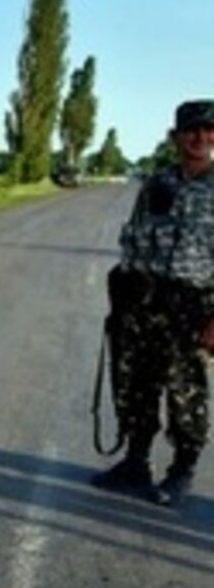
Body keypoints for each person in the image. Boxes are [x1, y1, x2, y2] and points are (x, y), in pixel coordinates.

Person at [92, 99, 214, 507]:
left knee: (186, 391)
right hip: (142, 302)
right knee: (135, 385)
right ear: (176, 136)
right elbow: (136, 236)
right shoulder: (157, 183)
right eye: (193, 130)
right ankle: (136, 462)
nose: (201, 137)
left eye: (209, 130)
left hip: (193, 305)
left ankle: (181, 472)